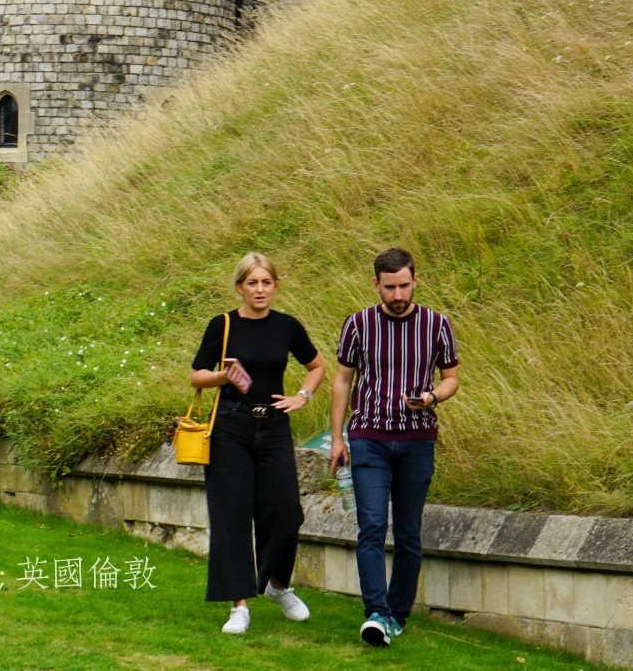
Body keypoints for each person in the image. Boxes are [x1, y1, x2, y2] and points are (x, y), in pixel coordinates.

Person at [189, 251, 327, 635]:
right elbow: (196, 376)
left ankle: (277, 586)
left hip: (274, 428)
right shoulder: (223, 325)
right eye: (252, 282)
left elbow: (316, 366)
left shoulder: (287, 326)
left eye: (266, 282)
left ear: (276, 286)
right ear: (240, 287)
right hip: (230, 428)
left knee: (285, 511)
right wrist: (224, 377)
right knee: (231, 515)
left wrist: (302, 397)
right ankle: (239, 606)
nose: (260, 289)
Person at [329, 248, 461, 648]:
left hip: (418, 439)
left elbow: (451, 378)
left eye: (404, 285)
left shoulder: (438, 324)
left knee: (408, 532)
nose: (398, 294)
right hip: (368, 438)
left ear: (415, 280)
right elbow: (342, 381)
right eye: (390, 287)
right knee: (370, 526)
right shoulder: (357, 324)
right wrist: (337, 437)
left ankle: (397, 614)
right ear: (376, 285)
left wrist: (432, 398)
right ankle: (376, 613)